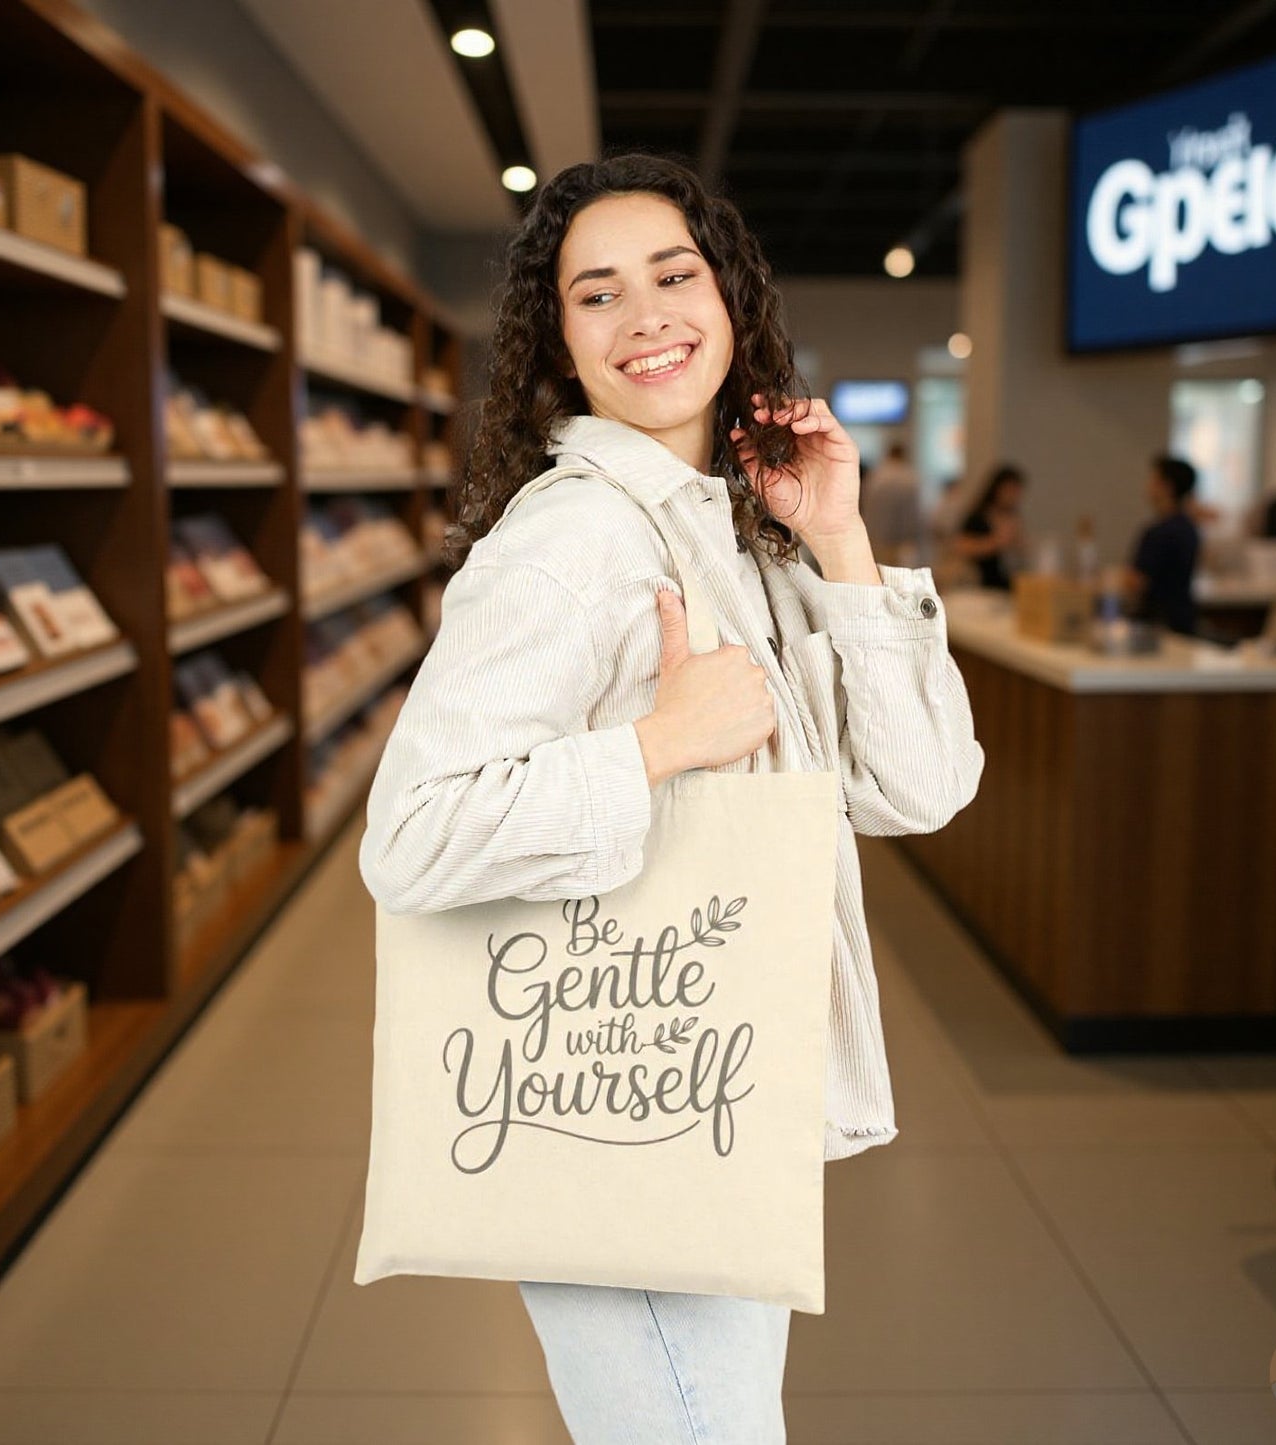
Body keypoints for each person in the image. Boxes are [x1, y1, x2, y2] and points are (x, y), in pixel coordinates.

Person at [356, 152, 985, 1443]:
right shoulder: (571, 539)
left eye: (673, 274)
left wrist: (840, 545)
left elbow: (920, 790)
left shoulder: (731, 529)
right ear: (561, 345)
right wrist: (653, 746)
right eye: (597, 294)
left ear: (732, 301)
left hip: (714, 1085)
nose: (644, 314)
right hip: (614, 1107)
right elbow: (410, 838)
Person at [1125, 454, 1201, 636]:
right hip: (1183, 619)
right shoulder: (1189, 527)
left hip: (1157, 624)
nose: (1148, 486)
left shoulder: (1158, 532)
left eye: (1153, 480)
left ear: (1166, 487)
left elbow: (1136, 582)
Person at [952, 464, 1027, 590]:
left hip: (1007, 581)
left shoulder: (1013, 518)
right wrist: (997, 542)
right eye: (1010, 490)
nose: (1014, 496)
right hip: (981, 583)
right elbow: (960, 546)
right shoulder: (978, 517)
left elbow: (1021, 552)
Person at [860, 439, 922, 566]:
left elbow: (865, 504)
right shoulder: (908, 478)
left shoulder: (876, 476)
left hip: (874, 537)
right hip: (900, 543)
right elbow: (912, 515)